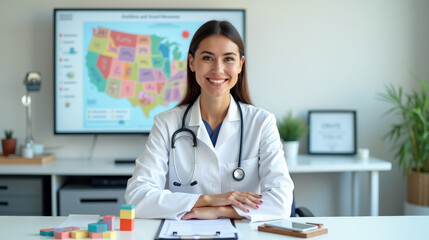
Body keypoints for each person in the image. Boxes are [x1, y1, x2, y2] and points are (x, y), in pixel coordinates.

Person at [125, 20, 294, 222]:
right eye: (207, 58)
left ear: (240, 65)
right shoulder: (167, 123)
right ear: (191, 62)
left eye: (228, 59)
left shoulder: (261, 122)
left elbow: (282, 202)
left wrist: (220, 210)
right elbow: (137, 197)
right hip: (184, 233)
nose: (218, 69)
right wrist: (208, 200)